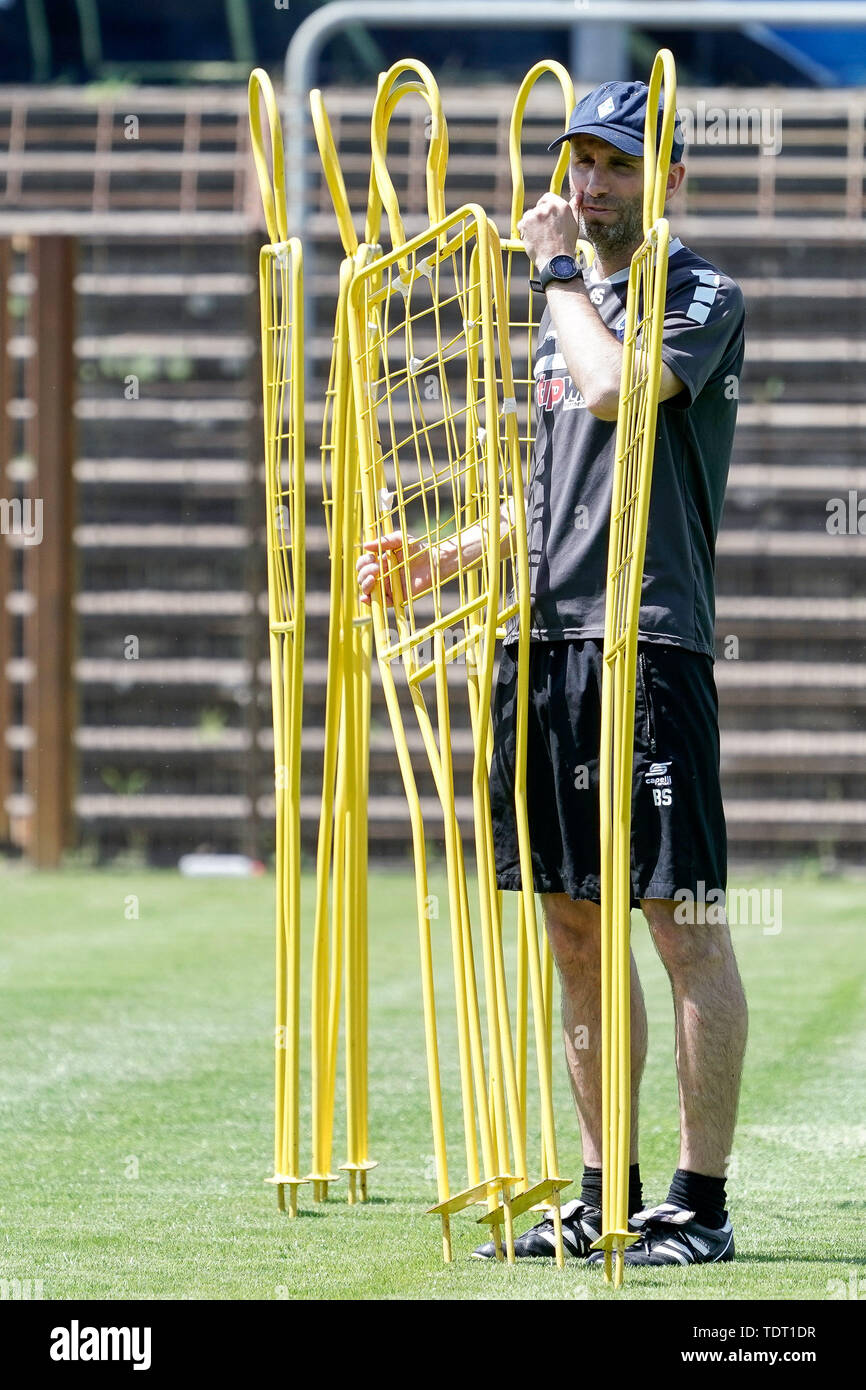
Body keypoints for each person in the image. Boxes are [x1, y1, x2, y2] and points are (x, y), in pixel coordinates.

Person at [356, 79, 748, 1268]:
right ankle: (604, 1194)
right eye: (576, 163)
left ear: (667, 178)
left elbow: (617, 391)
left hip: (650, 638)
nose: (588, 186)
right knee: (573, 931)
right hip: (544, 641)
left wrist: (561, 278)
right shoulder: (566, 302)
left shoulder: (694, 292)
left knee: (680, 925)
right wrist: (449, 557)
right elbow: (556, 491)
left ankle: (700, 1203)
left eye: (616, 165)